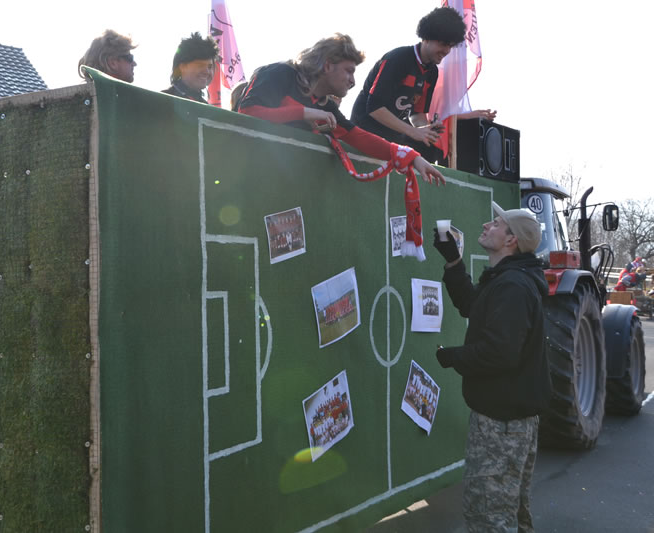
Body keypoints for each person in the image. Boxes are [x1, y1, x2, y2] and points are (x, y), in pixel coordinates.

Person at [433, 202, 551, 532]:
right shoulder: (507, 280)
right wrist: (453, 261)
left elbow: (500, 353)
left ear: (511, 240)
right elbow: (472, 304)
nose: (487, 225)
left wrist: (453, 357)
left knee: (489, 517)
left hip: (502, 426)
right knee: (509, 514)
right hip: (506, 423)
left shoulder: (513, 286)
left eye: (496, 223)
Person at [236, 33, 444, 186]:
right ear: (327, 66)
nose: (353, 81)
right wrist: (305, 112)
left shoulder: (324, 105)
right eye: (349, 71)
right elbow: (246, 113)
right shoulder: (280, 72)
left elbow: (357, 136)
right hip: (244, 178)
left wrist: (412, 156)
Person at [352, 7, 489, 163]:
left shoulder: (432, 72)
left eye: (450, 46)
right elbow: (374, 108)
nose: (446, 51)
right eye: (443, 44)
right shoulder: (397, 59)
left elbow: (417, 115)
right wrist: (412, 131)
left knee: (428, 149)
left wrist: (426, 130)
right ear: (426, 38)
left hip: (392, 134)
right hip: (364, 129)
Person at [162, 33, 220, 104]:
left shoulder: (207, 108)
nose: (207, 71)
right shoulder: (161, 100)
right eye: (200, 65)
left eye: (210, 67)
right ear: (182, 67)